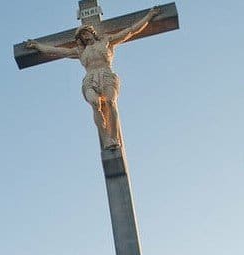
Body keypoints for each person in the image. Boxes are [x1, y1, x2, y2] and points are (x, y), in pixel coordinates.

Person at [25, 7, 160, 151]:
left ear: (92, 32)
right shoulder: (80, 51)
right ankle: (106, 138)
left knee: (109, 102)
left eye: (86, 32)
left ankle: (113, 137)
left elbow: (130, 31)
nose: (85, 36)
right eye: (81, 35)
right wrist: (38, 46)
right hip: (90, 79)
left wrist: (149, 16)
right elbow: (57, 51)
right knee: (95, 103)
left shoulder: (106, 41)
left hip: (107, 76)